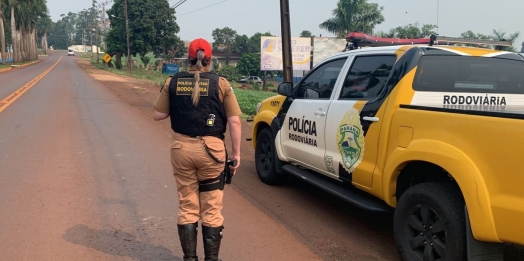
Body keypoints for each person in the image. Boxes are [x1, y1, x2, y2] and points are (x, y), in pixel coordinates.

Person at [152, 38, 241, 261]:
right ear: (210, 60)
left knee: (187, 205)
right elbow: (235, 122)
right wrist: (237, 155)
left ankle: (190, 259)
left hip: (181, 149)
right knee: (211, 208)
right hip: (212, 152)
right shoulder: (221, 84)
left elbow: (158, 115)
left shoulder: (172, 82)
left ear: (188, 59)